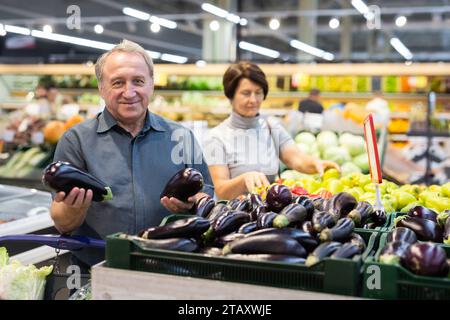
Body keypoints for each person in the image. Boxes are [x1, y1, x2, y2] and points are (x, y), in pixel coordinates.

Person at [50, 39, 214, 269]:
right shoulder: (76, 141)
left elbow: (208, 199)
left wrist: (192, 206)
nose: (130, 92)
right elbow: (63, 224)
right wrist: (74, 209)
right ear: (101, 88)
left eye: (138, 81)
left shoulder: (181, 137)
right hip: (98, 272)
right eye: (118, 82)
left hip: (168, 270)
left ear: (151, 85)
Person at [204, 62, 339, 200]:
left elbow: (296, 158)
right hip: (235, 218)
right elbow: (220, 190)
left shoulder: (271, 127)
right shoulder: (216, 138)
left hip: (268, 216)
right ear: (230, 95)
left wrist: (316, 164)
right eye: (246, 93)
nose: (253, 100)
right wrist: (244, 179)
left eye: (258, 93)